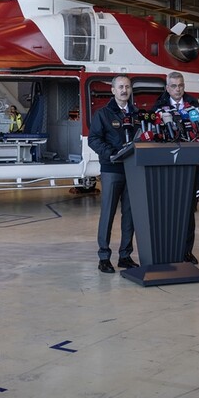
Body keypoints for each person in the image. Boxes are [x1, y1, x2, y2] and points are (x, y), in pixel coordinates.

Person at [152, 72, 199, 264]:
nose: (178, 89)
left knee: (188, 210)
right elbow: (152, 132)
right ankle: (166, 251)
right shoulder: (159, 107)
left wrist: (192, 147)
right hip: (166, 167)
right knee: (167, 209)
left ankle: (187, 251)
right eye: (174, 86)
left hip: (190, 166)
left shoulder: (193, 105)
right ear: (167, 88)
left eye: (181, 86)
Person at [87, 75, 137, 273]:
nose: (124, 90)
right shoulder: (103, 114)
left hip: (133, 171)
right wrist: (112, 154)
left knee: (130, 215)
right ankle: (104, 257)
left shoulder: (136, 114)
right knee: (107, 214)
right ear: (113, 90)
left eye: (127, 87)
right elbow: (94, 139)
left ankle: (125, 255)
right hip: (112, 169)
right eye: (120, 87)